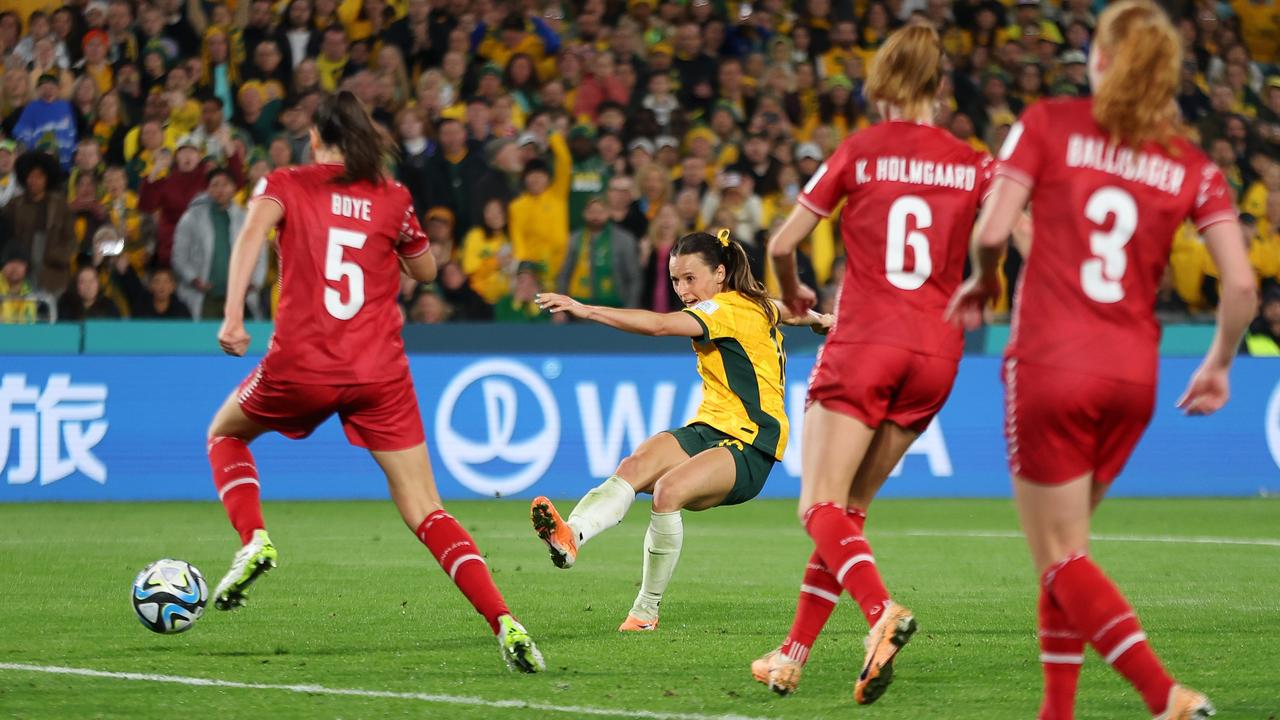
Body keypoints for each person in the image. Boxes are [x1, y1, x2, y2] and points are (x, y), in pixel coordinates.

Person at [945, 3, 1256, 719]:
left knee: (1058, 555)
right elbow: (1240, 285)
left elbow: (994, 226)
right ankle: (1057, 712)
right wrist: (1217, 363)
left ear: (1105, 59)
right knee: (1069, 553)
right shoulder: (1193, 165)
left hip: (1052, 362)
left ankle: (1163, 693)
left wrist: (987, 276)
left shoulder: (1050, 122)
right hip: (1133, 374)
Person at [206, 91, 545, 673]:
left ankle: (254, 538)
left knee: (225, 434)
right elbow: (427, 269)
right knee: (425, 508)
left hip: (302, 364)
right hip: (378, 373)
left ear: (316, 137)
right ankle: (505, 621)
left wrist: (234, 315)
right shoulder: (393, 196)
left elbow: (247, 238)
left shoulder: (287, 182)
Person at [755, 25, 994, 704]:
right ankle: (791, 656)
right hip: (939, 352)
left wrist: (794, 288)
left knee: (817, 505)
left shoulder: (860, 152)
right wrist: (990, 279)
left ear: (882, 82)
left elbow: (784, 240)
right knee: (850, 512)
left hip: (866, 342)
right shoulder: (972, 162)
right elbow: (1013, 233)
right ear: (939, 86)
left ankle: (880, 612)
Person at [530, 229, 831, 630]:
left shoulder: (722, 310)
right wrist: (819, 321)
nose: (683, 289)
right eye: (675, 280)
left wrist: (586, 310)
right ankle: (572, 536)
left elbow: (657, 326)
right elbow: (785, 309)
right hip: (709, 428)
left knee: (668, 491)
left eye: (691, 278)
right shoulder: (754, 304)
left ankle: (645, 611)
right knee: (635, 464)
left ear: (720, 273)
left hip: (751, 444)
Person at [171, 167, 266, 319]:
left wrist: (254, 283)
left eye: (225, 184)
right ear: (208, 189)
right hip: (204, 294)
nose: (220, 189)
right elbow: (179, 256)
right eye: (215, 185)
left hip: (240, 296)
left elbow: (261, 255)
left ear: (234, 188)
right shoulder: (191, 218)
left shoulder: (247, 218)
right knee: (202, 340)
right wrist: (194, 279)